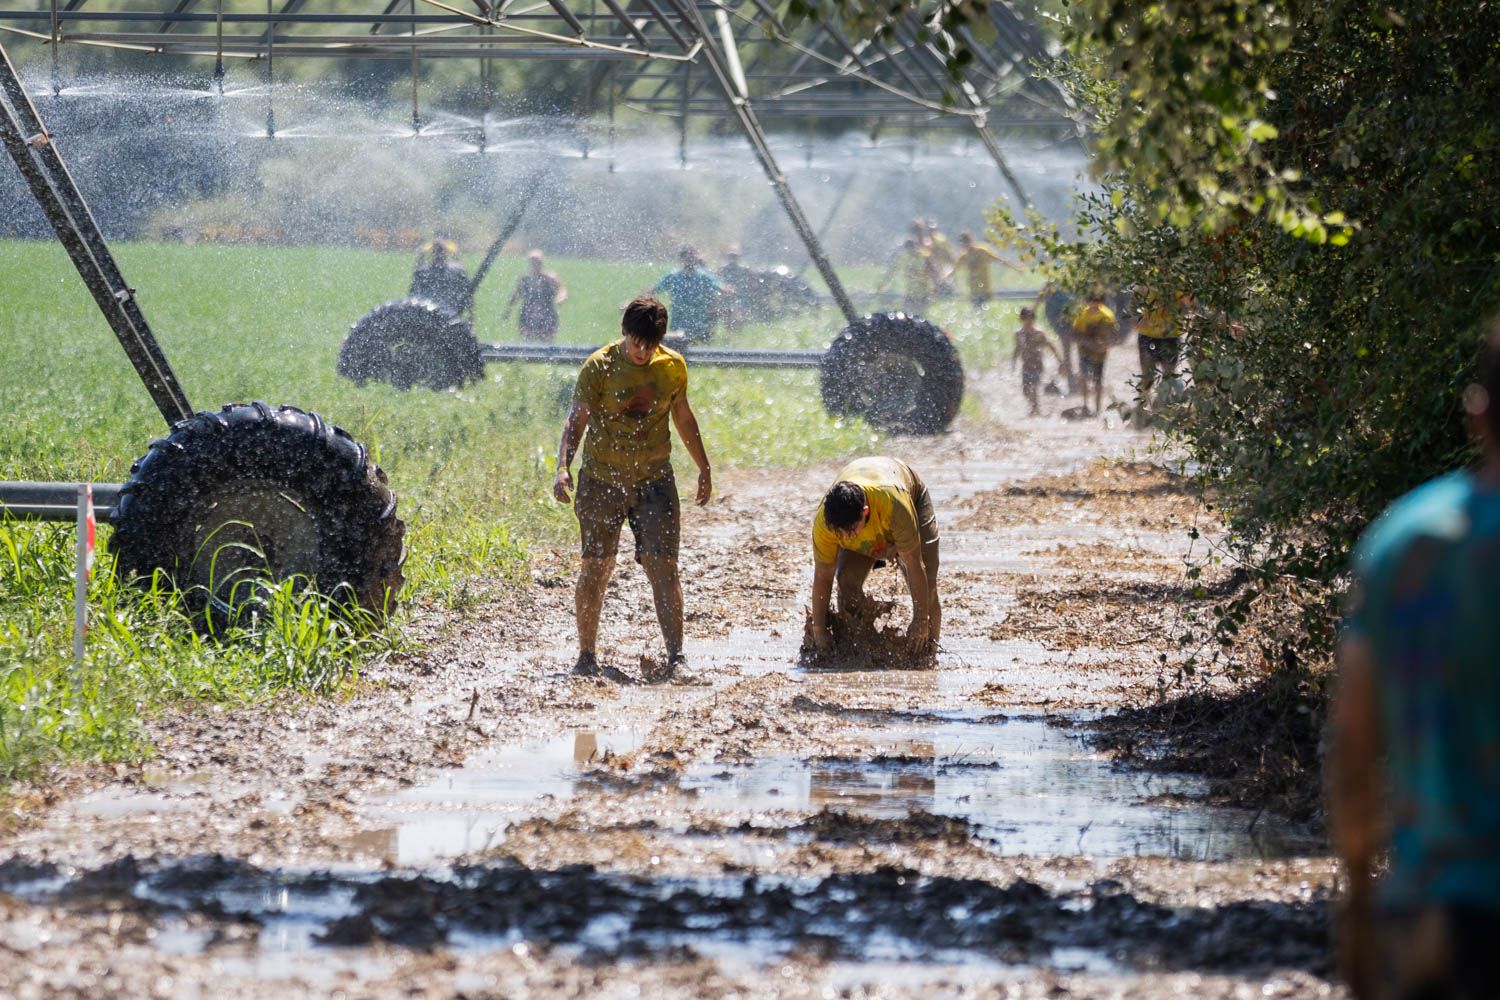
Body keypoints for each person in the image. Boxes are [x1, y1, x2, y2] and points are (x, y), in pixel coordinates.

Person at [1328, 322, 1500, 1000]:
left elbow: (1353, 743)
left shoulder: (1405, 544)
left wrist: (1359, 911)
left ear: (1477, 411)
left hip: (1441, 917)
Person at [553, 296, 713, 681]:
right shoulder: (600, 367)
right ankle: (586, 657)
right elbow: (576, 421)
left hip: (654, 481)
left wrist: (703, 467)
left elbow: (683, 416)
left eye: (650, 345)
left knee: (664, 568)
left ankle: (676, 659)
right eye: (635, 343)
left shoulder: (672, 367)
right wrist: (563, 467)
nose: (641, 352)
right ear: (624, 332)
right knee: (596, 566)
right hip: (602, 479)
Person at [808, 456, 941, 657]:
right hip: (869, 517)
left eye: (851, 530)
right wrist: (819, 630)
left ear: (865, 512)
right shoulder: (825, 523)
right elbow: (823, 576)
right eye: (840, 532)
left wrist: (921, 620)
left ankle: (926, 655)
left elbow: (914, 564)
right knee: (846, 581)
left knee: (927, 589)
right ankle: (857, 648)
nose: (845, 537)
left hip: (909, 498)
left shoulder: (895, 506)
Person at [1134, 289, 1191, 419]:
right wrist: (1137, 318)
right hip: (1148, 335)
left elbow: (1189, 304)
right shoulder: (1149, 279)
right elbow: (1135, 298)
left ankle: (1159, 410)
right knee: (1148, 376)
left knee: (1168, 376)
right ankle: (1140, 412)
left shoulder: (1178, 282)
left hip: (1170, 336)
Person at [651, 246, 725, 343]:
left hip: (698, 320)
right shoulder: (674, 276)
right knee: (677, 345)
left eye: (692, 257)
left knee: (699, 347)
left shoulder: (703, 276)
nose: (690, 260)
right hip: (679, 320)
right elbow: (655, 289)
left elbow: (720, 286)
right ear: (682, 259)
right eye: (687, 257)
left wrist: (726, 290)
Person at [504, 250, 567, 343]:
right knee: (527, 340)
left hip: (547, 313)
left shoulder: (550, 277)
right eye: (533, 262)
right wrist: (509, 308)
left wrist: (560, 298)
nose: (535, 264)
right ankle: (526, 356)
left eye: (537, 261)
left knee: (547, 341)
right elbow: (516, 293)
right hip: (528, 313)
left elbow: (562, 289)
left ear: (542, 262)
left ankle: (547, 356)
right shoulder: (525, 278)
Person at [1071, 292, 1118, 417]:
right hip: (1084, 350)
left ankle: (1098, 409)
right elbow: (1075, 335)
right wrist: (1089, 343)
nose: (1094, 308)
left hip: (1100, 352)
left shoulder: (1107, 316)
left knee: (1098, 380)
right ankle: (1085, 405)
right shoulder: (1082, 315)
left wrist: (1106, 345)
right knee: (1084, 377)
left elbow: (1114, 337)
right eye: (1092, 304)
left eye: (1097, 305)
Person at [1012, 306, 1062, 417]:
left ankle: (1036, 410)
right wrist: (1013, 361)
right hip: (1026, 366)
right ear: (1022, 319)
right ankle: (1034, 407)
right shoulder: (1018, 334)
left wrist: (1059, 360)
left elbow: (1050, 346)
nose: (1029, 321)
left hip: (1037, 365)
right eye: (1026, 319)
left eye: (1031, 319)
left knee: (1034, 387)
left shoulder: (1039, 333)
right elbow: (1017, 348)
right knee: (1026, 390)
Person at [944, 230, 1012, 306]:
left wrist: (1015, 267)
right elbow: (954, 270)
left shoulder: (982, 251)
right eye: (963, 243)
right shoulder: (963, 257)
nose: (965, 245)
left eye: (966, 242)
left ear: (971, 240)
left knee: (981, 309)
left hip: (985, 289)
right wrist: (944, 277)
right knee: (978, 310)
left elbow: (999, 259)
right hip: (973, 290)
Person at [410, 235, 471, 317]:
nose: (440, 254)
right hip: (448, 314)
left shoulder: (423, 271)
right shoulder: (457, 271)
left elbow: (412, 296)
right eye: (439, 251)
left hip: (432, 314)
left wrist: (422, 253)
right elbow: (468, 296)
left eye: (440, 251)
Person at [717, 248, 756, 331]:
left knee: (740, 317)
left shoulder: (744, 270)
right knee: (727, 318)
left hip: (741, 297)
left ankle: (738, 333)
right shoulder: (722, 270)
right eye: (730, 257)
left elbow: (750, 283)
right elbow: (718, 282)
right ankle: (730, 333)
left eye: (734, 257)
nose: (732, 259)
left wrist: (750, 293)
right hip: (727, 298)